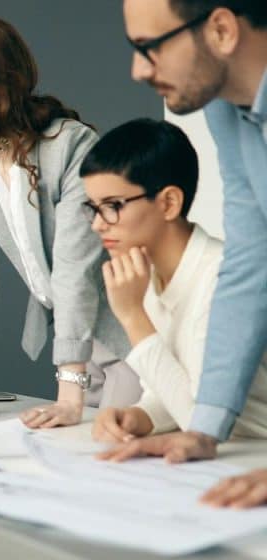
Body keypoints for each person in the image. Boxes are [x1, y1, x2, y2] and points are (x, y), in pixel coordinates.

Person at [0, 13, 139, 428]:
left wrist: (68, 395)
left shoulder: (69, 146)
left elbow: (76, 269)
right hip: (76, 341)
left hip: (131, 334)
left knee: (116, 455)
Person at [103, 0, 267, 463]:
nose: (138, 70)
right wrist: (203, 430)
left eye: (149, 47)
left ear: (220, 30)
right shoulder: (226, 110)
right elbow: (250, 260)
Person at [81, 119, 267, 447]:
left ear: (169, 203)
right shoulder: (147, 275)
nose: (97, 224)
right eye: (92, 208)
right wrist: (137, 416)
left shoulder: (223, 281)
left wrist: (132, 317)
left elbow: (202, 422)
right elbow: (171, 391)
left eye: (112, 206)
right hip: (222, 458)